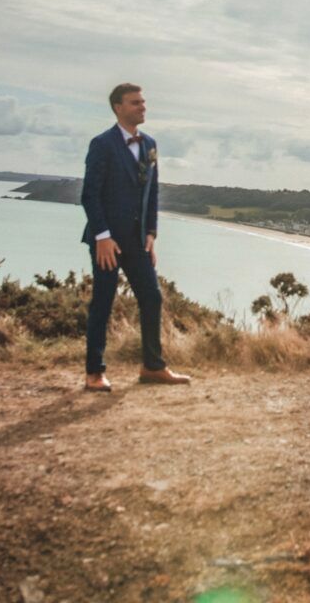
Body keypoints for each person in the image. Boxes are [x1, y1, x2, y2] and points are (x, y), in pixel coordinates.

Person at [81, 83, 190, 391]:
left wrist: (151, 234)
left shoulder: (149, 144)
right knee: (103, 301)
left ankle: (153, 367)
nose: (142, 107)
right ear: (118, 107)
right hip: (107, 241)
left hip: (137, 240)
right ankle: (94, 373)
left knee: (152, 297)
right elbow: (90, 195)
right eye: (135, 103)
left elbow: (152, 193)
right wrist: (102, 236)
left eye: (143, 102)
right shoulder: (102, 144)